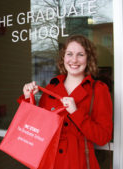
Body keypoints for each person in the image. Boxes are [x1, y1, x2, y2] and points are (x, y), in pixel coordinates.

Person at [18, 35, 113, 169]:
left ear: (88, 58)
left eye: (80, 54)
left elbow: (103, 137)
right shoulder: (52, 87)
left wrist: (76, 112)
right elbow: (36, 128)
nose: (74, 60)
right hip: (49, 162)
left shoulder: (98, 90)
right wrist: (28, 99)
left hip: (78, 164)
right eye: (69, 54)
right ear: (63, 58)